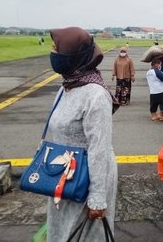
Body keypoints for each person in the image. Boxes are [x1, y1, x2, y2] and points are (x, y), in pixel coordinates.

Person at [45, 27, 117, 242]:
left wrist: (97, 197)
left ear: (72, 55)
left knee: (86, 233)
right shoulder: (67, 86)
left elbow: (99, 148)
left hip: (87, 177)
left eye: (56, 49)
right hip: (63, 173)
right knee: (62, 229)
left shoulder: (95, 95)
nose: (52, 53)